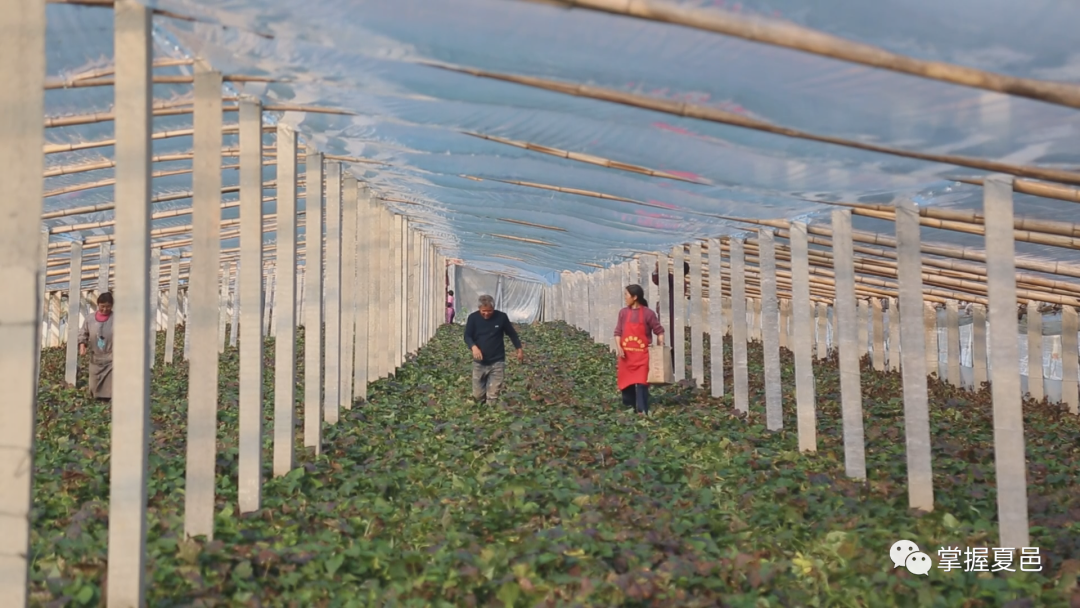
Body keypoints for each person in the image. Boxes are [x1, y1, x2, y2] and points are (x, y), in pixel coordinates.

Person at [464, 294, 524, 404]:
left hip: (497, 361)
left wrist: (519, 349)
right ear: (479, 309)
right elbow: (467, 336)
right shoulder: (473, 318)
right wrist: (474, 347)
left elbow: (512, 334)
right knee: (477, 396)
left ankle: (491, 416)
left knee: (493, 395)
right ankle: (480, 415)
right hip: (479, 363)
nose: (486, 313)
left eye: (489, 311)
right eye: (483, 311)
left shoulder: (501, 317)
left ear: (493, 308)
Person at [614, 284, 665, 415]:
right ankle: (629, 408)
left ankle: (642, 411)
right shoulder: (623, 313)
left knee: (642, 383)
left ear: (635, 297)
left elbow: (659, 331)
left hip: (642, 355)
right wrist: (619, 347)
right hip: (626, 355)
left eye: (626, 295)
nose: (625, 297)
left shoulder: (648, 313)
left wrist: (660, 346)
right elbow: (618, 332)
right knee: (626, 383)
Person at [79, 291, 114, 401]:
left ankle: (108, 402)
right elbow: (83, 333)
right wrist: (82, 345)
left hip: (112, 357)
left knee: (110, 384)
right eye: (102, 306)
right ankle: (96, 400)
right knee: (94, 384)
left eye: (108, 307)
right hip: (96, 356)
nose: (105, 309)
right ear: (98, 304)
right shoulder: (90, 318)